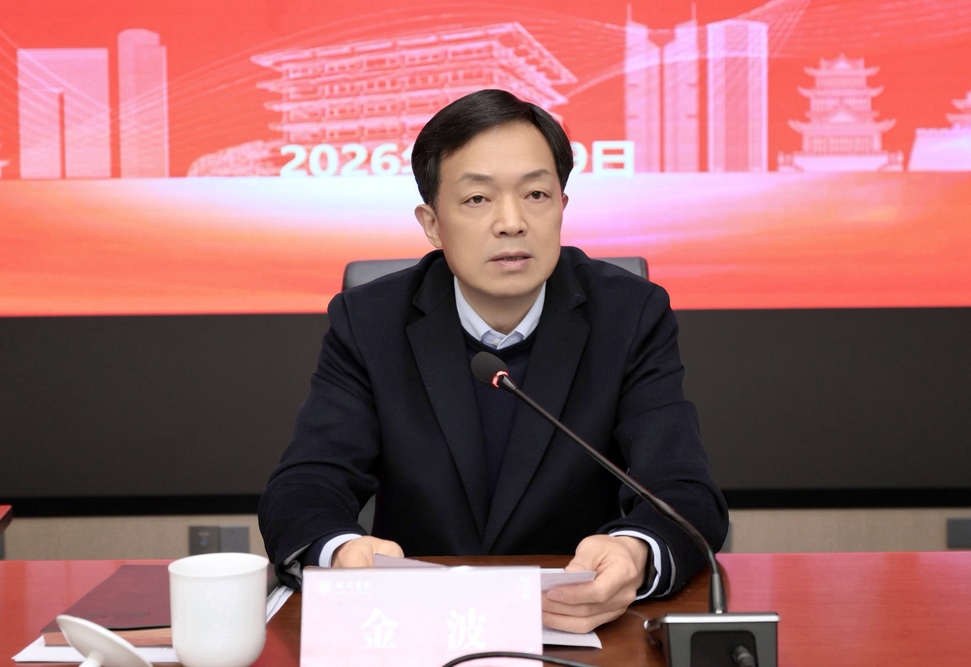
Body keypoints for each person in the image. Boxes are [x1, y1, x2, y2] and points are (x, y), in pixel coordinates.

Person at [258, 88, 728, 633]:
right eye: (478, 199)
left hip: (580, 623)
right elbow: (306, 484)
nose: (511, 222)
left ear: (562, 207)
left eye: (536, 194)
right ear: (432, 223)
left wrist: (634, 551)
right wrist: (341, 552)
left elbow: (683, 490)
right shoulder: (370, 321)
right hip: (414, 627)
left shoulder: (629, 315)